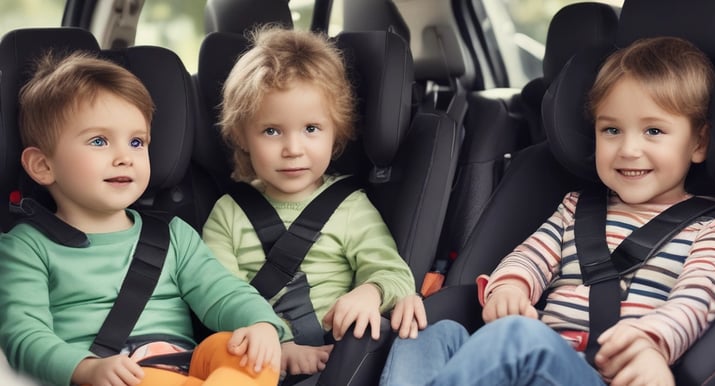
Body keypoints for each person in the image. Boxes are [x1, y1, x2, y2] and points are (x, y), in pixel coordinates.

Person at [379, 36, 715, 386]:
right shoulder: (576, 209)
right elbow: (531, 256)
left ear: (699, 142)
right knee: (428, 329)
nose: (629, 149)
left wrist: (652, 345)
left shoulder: (713, 229)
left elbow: (695, 301)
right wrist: (509, 288)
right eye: (612, 130)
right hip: (532, 360)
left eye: (653, 131)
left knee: (519, 338)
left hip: (605, 374)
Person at [0, 51, 290, 386]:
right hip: (113, 376)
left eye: (137, 142)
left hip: (188, 367)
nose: (125, 157)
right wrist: (86, 367)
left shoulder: (173, 235)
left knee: (247, 353)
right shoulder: (26, 247)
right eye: (99, 141)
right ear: (43, 166)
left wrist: (261, 324)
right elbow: (24, 335)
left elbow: (223, 293)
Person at [202, 26, 426, 379]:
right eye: (272, 131)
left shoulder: (350, 207)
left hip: (337, 360)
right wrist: (279, 344)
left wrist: (370, 292)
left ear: (336, 130)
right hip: (256, 358)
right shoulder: (228, 213)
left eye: (311, 129)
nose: (293, 148)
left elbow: (395, 274)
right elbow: (216, 296)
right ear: (242, 135)